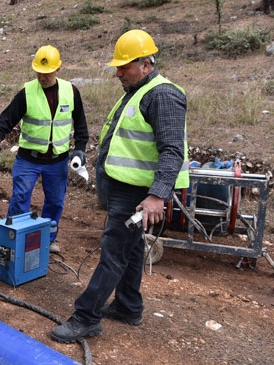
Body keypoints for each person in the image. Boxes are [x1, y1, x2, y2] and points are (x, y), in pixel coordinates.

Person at [50, 29, 189, 343]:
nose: (118, 72)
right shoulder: (139, 91)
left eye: (124, 66)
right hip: (128, 189)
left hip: (140, 194)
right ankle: (128, 306)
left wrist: (157, 195)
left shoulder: (163, 95)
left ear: (144, 63)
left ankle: (86, 318)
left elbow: (172, 151)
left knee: (114, 251)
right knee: (132, 247)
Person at [0, 45, 89, 253]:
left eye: (47, 72)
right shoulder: (27, 92)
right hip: (29, 160)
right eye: (39, 72)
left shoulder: (71, 92)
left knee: (54, 202)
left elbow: (80, 124)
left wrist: (80, 148)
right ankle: (11, 240)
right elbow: (7, 118)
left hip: (58, 161)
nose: (43, 77)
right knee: (20, 198)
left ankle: (47, 240)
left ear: (58, 69)